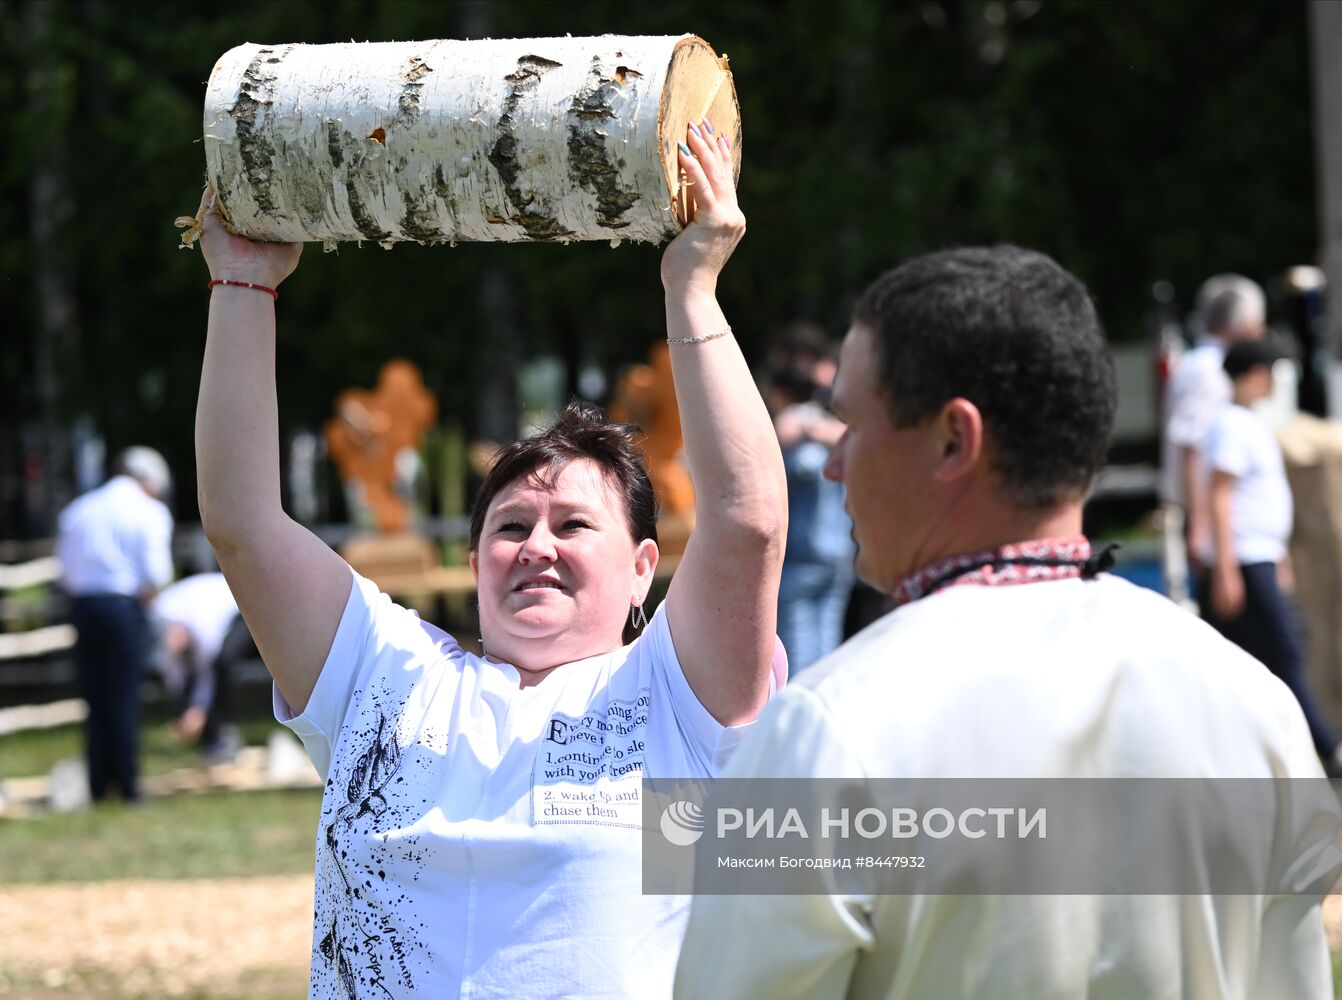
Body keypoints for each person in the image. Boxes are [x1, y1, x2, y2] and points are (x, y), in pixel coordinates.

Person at [192, 120, 786, 997]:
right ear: (473, 562)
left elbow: (746, 521)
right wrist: (241, 282)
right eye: (510, 527)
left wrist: (691, 286)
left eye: (575, 526)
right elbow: (242, 519)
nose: (535, 547)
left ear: (642, 570)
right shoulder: (387, 676)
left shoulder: (674, 697)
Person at [675, 247, 1333, 998]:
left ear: (955, 440)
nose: (834, 464)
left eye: (850, 424)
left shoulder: (827, 729)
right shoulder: (1258, 707)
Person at [1199, 340, 1342, 775]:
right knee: (1284, 651)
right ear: (1254, 374)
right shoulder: (1231, 425)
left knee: (1242, 661)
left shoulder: (1247, 423)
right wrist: (1226, 567)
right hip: (1243, 559)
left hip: (1259, 556)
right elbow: (1221, 496)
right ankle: (1330, 746)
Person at [56, 446, 175, 803]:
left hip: (83, 607)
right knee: (123, 698)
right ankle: (127, 785)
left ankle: (98, 783)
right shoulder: (149, 511)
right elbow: (157, 573)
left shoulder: (79, 509)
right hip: (124, 608)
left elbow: (65, 570)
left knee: (95, 700)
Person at [1164, 276, 1266, 579]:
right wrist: (1201, 526)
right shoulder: (1210, 371)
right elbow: (1191, 448)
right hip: (1212, 522)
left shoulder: (1196, 364)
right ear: (1246, 324)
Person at [768, 363, 854, 673]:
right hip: (837, 554)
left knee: (800, 658)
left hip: (802, 559)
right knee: (827, 649)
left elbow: (776, 438)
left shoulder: (793, 423)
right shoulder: (834, 428)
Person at [152, 571, 252, 762]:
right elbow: (173, 675)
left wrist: (198, 710)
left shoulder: (203, 627)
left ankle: (226, 732)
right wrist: (181, 712)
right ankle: (211, 741)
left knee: (223, 662)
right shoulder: (160, 622)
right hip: (204, 606)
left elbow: (208, 675)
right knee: (193, 673)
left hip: (237, 601)